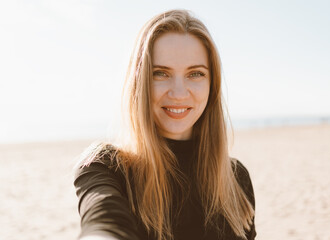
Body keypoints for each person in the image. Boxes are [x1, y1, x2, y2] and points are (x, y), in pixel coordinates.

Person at [73, 9, 256, 240]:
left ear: (212, 85)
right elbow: (103, 222)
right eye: (160, 73)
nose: (179, 93)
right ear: (139, 82)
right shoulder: (107, 167)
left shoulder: (235, 178)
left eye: (195, 74)